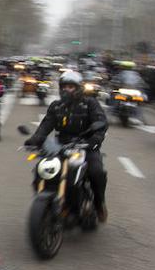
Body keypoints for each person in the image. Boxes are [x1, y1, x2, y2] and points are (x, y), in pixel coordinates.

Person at [25, 70, 110, 221]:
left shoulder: (90, 103)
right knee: (42, 169)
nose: (67, 90)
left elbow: (101, 122)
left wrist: (94, 140)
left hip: (85, 145)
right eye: (64, 87)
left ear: (78, 88)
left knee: (96, 172)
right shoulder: (56, 106)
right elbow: (46, 125)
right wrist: (35, 139)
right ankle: (46, 203)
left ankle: (98, 204)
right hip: (61, 145)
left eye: (70, 87)